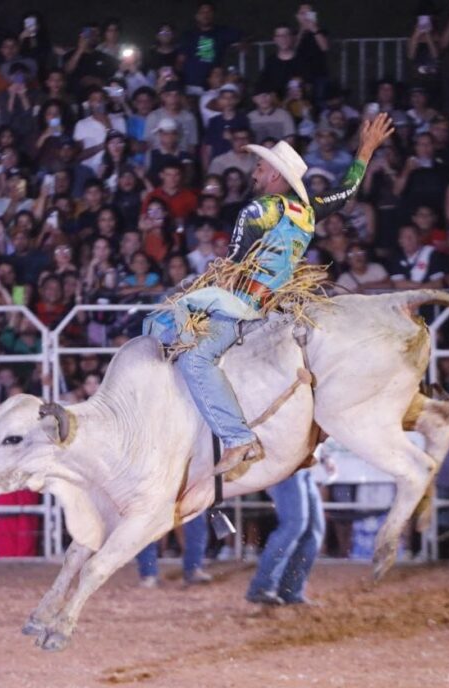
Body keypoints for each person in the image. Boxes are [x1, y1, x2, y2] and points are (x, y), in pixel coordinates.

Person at [144, 114, 394, 478]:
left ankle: (234, 436)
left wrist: (199, 290)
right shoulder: (306, 210)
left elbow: (233, 265)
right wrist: (366, 150)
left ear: (275, 175)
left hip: (246, 303)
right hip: (279, 301)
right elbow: (347, 192)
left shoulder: (256, 211)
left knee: (188, 351)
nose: (255, 171)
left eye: (261, 166)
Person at [245, 468, 324, 605]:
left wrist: (323, 457)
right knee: (294, 525)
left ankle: (290, 590)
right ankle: (262, 586)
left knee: (313, 529)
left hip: (305, 465)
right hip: (288, 466)